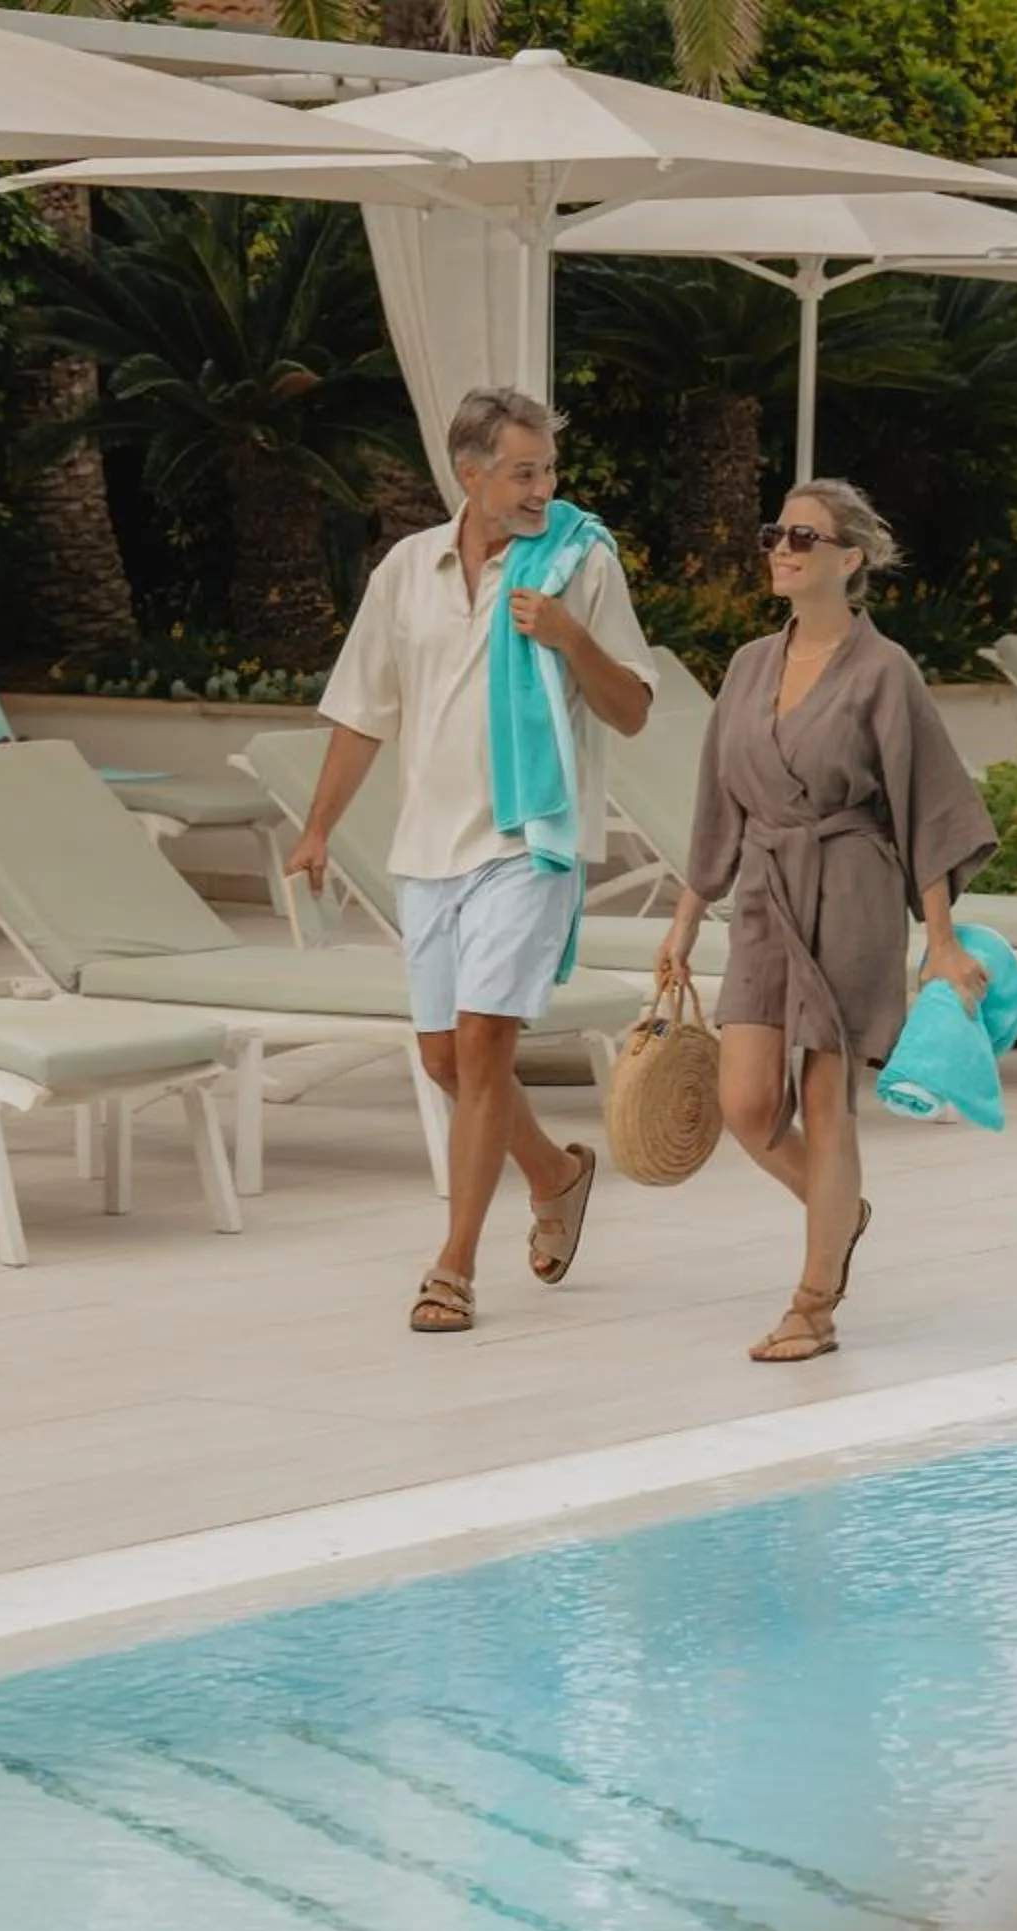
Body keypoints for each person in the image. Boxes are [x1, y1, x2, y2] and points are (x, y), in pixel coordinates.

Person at [290, 387, 656, 1335]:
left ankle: (452, 1267)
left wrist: (570, 637)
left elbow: (632, 708)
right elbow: (362, 712)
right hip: (429, 846)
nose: (544, 490)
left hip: (531, 840)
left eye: (549, 471)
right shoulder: (405, 571)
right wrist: (319, 827)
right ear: (471, 473)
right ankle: (558, 1174)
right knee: (445, 1058)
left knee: (487, 1045)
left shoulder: (581, 565)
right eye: (524, 472)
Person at [657, 479, 997, 1364]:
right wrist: (687, 919)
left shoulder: (886, 672)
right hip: (766, 892)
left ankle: (813, 1304)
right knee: (745, 1103)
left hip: (850, 886)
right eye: (776, 532)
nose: (782, 548)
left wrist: (942, 942)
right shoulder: (744, 666)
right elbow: (716, 804)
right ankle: (838, 1210)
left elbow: (926, 805)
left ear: (850, 560)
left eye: (804, 537)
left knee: (823, 1100)